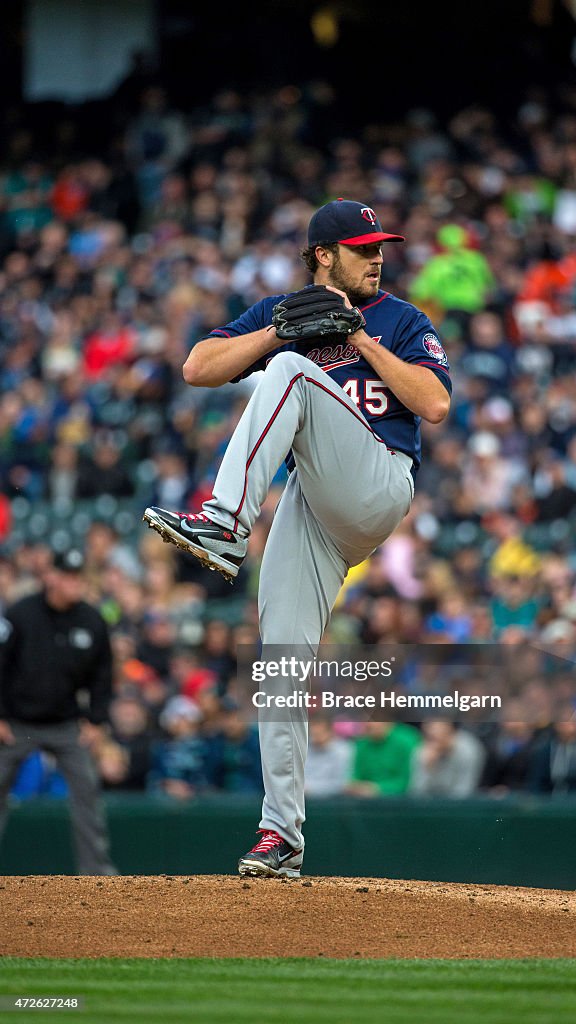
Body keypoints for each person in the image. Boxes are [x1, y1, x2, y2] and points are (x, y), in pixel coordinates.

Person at [143, 198, 452, 876]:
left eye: (379, 246)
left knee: (289, 373)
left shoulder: (401, 319)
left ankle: (224, 524)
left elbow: (432, 404)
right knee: (279, 661)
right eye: (362, 246)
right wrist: (273, 332)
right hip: (316, 504)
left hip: (377, 481)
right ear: (322, 255)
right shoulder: (284, 310)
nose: (377, 255)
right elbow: (198, 367)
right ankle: (280, 837)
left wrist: (361, 340)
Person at [0, 548, 117, 874]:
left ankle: (97, 876)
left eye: (78, 576)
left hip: (66, 724)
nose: (74, 583)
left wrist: (96, 720)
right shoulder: (21, 614)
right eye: (67, 576)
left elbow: (102, 675)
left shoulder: (92, 620)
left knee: (88, 796)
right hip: (16, 724)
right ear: (50, 576)